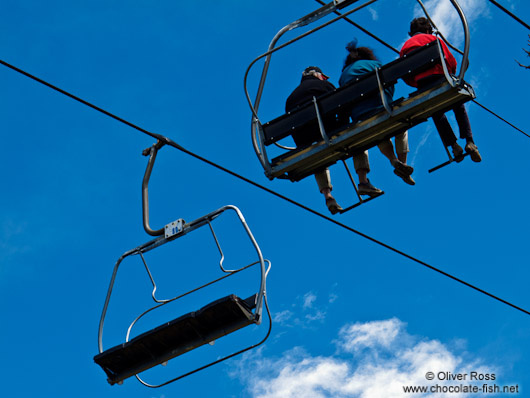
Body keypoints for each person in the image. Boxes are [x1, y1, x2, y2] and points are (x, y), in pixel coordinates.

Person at [400, 17, 481, 163]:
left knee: (437, 112)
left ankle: (453, 145)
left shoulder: (405, 47)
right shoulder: (433, 39)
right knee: (458, 105)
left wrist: (417, 82)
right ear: (427, 29)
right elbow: (450, 61)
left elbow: (406, 74)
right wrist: (449, 73)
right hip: (440, 78)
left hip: (423, 86)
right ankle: (469, 141)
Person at [339, 39, 415, 189]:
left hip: (360, 117)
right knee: (401, 126)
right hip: (381, 108)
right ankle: (403, 164)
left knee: (377, 132)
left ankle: (394, 160)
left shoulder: (343, 76)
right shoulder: (375, 65)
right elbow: (390, 83)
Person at [285, 66, 343, 214]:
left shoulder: (291, 98)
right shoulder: (324, 86)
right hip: (326, 129)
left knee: (318, 159)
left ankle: (327, 195)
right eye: (323, 76)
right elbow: (341, 103)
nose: (324, 79)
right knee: (358, 138)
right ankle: (363, 179)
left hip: (305, 138)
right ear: (317, 75)